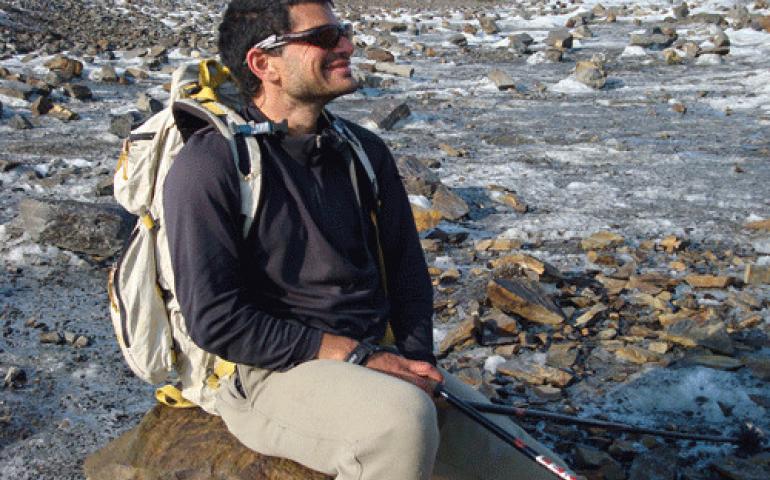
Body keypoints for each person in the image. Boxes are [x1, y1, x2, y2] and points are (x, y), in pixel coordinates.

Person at [163, 1, 574, 478]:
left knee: (540, 470)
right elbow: (217, 320)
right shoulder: (211, 165)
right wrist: (355, 355)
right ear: (263, 64)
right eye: (324, 38)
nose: (347, 45)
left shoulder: (364, 152)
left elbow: (406, 274)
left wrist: (415, 362)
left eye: (344, 31)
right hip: (271, 374)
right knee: (400, 422)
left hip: (375, 359)